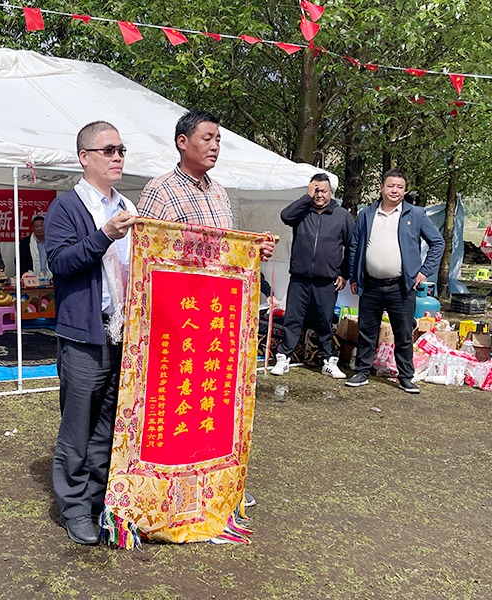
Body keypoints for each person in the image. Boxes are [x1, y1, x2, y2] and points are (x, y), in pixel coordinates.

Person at [138, 109, 274, 509]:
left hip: (215, 320)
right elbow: (147, 253)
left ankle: (217, 482)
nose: (214, 146)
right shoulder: (160, 191)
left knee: (212, 402)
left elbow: (226, 254)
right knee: (175, 404)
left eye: (218, 140)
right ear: (182, 142)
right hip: (177, 318)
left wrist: (254, 252)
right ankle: (172, 488)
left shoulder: (219, 193)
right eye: (207, 138)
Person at [45, 121, 137, 545]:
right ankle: (75, 508)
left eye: (121, 150)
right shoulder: (67, 207)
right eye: (108, 150)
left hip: (121, 333)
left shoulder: (128, 206)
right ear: (84, 157)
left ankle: (99, 501)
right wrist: (103, 236)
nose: (117, 157)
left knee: (108, 425)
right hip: (84, 334)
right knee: (77, 426)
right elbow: (60, 263)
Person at [346, 168, 444, 393]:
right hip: (371, 283)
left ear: (404, 190)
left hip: (401, 285)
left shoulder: (415, 214)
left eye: (400, 187)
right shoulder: (367, 214)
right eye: (390, 186)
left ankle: (406, 377)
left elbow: (437, 243)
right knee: (366, 331)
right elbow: (354, 246)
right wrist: (354, 276)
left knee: (403, 333)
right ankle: (362, 372)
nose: (395, 190)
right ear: (381, 188)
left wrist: (425, 271)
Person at [270, 174, 354, 379]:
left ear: (331, 192)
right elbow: (285, 216)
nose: (319, 195)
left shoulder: (342, 215)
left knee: (324, 322)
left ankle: (329, 361)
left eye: (323, 191)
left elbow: (352, 247)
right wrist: (305, 198)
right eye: (315, 191)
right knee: (292, 319)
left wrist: (344, 274)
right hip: (299, 278)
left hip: (327, 280)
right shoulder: (302, 212)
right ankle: (283, 357)